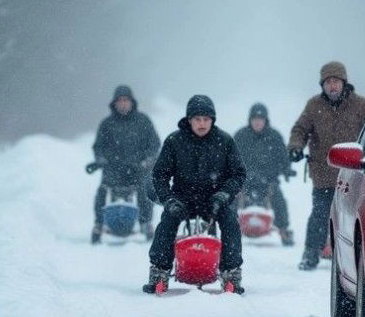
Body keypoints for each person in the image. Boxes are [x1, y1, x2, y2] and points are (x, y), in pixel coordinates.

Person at [144, 95, 247, 294]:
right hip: (182, 197)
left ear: (212, 120)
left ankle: (231, 272)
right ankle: (159, 271)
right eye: (197, 119)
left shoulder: (225, 141)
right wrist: (169, 200)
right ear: (189, 120)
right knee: (167, 222)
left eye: (206, 119)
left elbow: (238, 174)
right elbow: (159, 175)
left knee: (231, 222)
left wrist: (224, 195)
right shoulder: (174, 141)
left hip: (216, 198)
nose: (202, 124)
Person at [288, 61, 365, 270]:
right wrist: (295, 146)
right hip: (323, 172)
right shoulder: (313, 105)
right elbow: (300, 129)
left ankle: (357, 259)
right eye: (328, 82)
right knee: (319, 214)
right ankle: (310, 254)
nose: (332, 85)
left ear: (344, 82)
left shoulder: (361, 105)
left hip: (353, 173)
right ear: (322, 85)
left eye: (336, 81)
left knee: (355, 217)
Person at [89, 85, 160, 244]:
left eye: (126, 100)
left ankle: (145, 223)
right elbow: (98, 146)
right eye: (120, 100)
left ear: (132, 102)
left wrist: (148, 160)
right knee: (102, 190)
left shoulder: (143, 121)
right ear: (114, 103)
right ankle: (99, 224)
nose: (123, 103)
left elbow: (154, 143)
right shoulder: (107, 124)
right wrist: (100, 158)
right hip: (113, 169)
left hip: (138, 168)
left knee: (145, 188)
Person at [234, 103, 296, 246]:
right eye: (255, 118)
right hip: (244, 181)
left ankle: (284, 230)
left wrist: (287, 169)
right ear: (250, 119)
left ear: (265, 120)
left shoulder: (274, 136)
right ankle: (228, 230)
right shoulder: (240, 136)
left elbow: (283, 157)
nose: (257, 121)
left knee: (279, 200)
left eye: (260, 119)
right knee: (230, 199)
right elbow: (230, 157)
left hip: (268, 182)